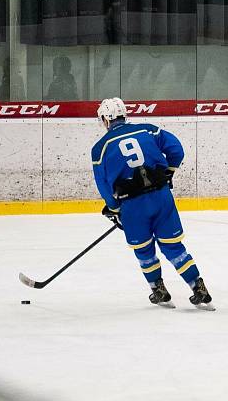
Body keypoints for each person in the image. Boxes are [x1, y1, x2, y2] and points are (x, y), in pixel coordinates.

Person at [91, 97, 213, 309]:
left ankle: (158, 290)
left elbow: (104, 186)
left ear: (106, 119)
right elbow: (177, 150)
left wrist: (114, 208)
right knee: (174, 246)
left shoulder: (99, 149)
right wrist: (168, 173)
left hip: (133, 205)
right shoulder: (148, 130)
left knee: (144, 249)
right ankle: (198, 287)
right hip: (161, 197)